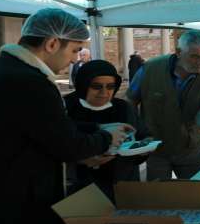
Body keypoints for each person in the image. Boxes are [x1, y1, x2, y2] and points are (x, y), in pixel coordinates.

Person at [0, 8, 128, 224]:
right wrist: (106, 140)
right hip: (6, 210)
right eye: (73, 50)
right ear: (52, 43)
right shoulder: (28, 82)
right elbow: (67, 145)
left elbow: (41, 126)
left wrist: (95, 129)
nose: (74, 60)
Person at [127, 30, 200, 180]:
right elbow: (131, 101)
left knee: (195, 193)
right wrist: (135, 132)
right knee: (160, 196)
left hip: (190, 148)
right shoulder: (150, 69)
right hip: (156, 147)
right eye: (195, 56)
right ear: (178, 52)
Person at [64, 59, 151, 199]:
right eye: (96, 86)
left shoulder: (123, 107)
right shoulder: (66, 107)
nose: (104, 92)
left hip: (122, 183)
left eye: (110, 87)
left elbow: (142, 134)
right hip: (81, 187)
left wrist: (144, 148)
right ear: (83, 85)